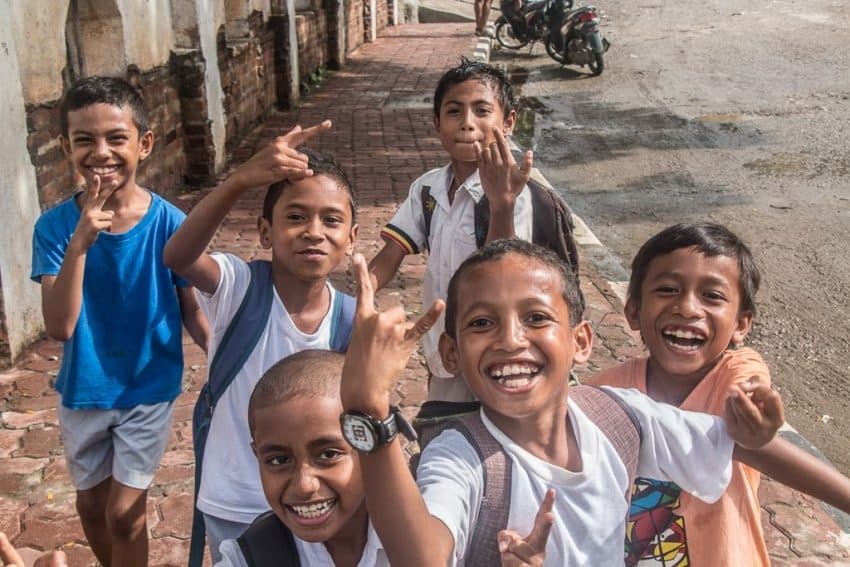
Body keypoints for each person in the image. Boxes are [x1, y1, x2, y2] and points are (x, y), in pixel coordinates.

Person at [339, 239, 785, 565]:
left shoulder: (616, 415)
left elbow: (726, 441)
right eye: (481, 323)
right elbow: (423, 559)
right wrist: (370, 416)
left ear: (581, 341)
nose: (511, 340)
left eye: (536, 318)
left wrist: (755, 429)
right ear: (451, 355)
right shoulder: (461, 458)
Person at [588, 222, 850, 566]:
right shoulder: (605, 394)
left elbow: (748, 394)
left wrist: (755, 426)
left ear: (742, 324)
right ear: (633, 310)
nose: (687, 308)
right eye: (667, 289)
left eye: (712, 295)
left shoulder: (733, 376)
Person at [29, 76, 208, 567]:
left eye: (115, 138)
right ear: (66, 146)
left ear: (144, 144)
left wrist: (225, 357)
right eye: (84, 140)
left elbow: (191, 306)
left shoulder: (170, 222)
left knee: (125, 513)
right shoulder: (54, 227)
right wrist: (80, 244)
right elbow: (60, 327)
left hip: (148, 385)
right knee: (92, 505)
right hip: (83, 388)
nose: (100, 152)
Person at [163, 123, 360, 564]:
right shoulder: (238, 287)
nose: (313, 231)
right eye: (295, 217)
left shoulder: (350, 318)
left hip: (314, 500)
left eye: (331, 220)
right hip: (236, 497)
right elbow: (178, 256)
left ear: (351, 239)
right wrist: (240, 180)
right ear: (265, 232)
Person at [369, 59, 540, 403]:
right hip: (443, 347)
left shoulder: (516, 193)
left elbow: (504, 272)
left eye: (481, 111)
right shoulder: (428, 189)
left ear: (507, 123)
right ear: (436, 123)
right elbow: (391, 253)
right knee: (442, 422)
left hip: (498, 348)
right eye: (454, 112)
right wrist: (354, 296)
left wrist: (502, 203)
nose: (467, 124)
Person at [213, 350, 388, 566]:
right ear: (257, 455)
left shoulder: (422, 534)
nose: (304, 485)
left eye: (328, 454)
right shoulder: (251, 557)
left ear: (368, 448)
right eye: (279, 460)